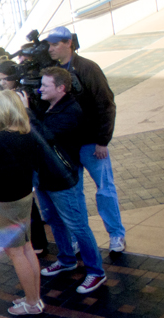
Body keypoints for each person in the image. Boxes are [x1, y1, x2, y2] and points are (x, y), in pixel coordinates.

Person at [45, 26, 126, 252]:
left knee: (105, 189)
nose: (50, 49)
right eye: (49, 45)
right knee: (74, 193)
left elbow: (106, 104)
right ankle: (80, 238)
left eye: (55, 44)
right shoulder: (49, 73)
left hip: (92, 143)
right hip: (67, 146)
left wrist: (102, 140)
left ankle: (116, 235)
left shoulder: (88, 68)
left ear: (68, 43)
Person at [31, 67, 106, 294]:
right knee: (54, 220)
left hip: (64, 179)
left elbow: (44, 136)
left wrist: (26, 111)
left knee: (78, 225)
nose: (39, 89)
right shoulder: (49, 105)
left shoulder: (71, 110)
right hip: (45, 176)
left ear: (61, 88)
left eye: (45, 85)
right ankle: (66, 260)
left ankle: (96, 272)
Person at [0, 90, 44, 315]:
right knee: (26, 247)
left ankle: (32, 304)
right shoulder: (28, 132)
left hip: (6, 200)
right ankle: (35, 297)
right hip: (24, 194)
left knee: (15, 252)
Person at [0, 60, 48, 255]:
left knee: (31, 205)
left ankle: (39, 242)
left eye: (5, 79)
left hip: (27, 159)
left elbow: (34, 127)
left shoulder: (23, 96)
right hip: (18, 160)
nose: (2, 83)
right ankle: (34, 241)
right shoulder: (7, 95)